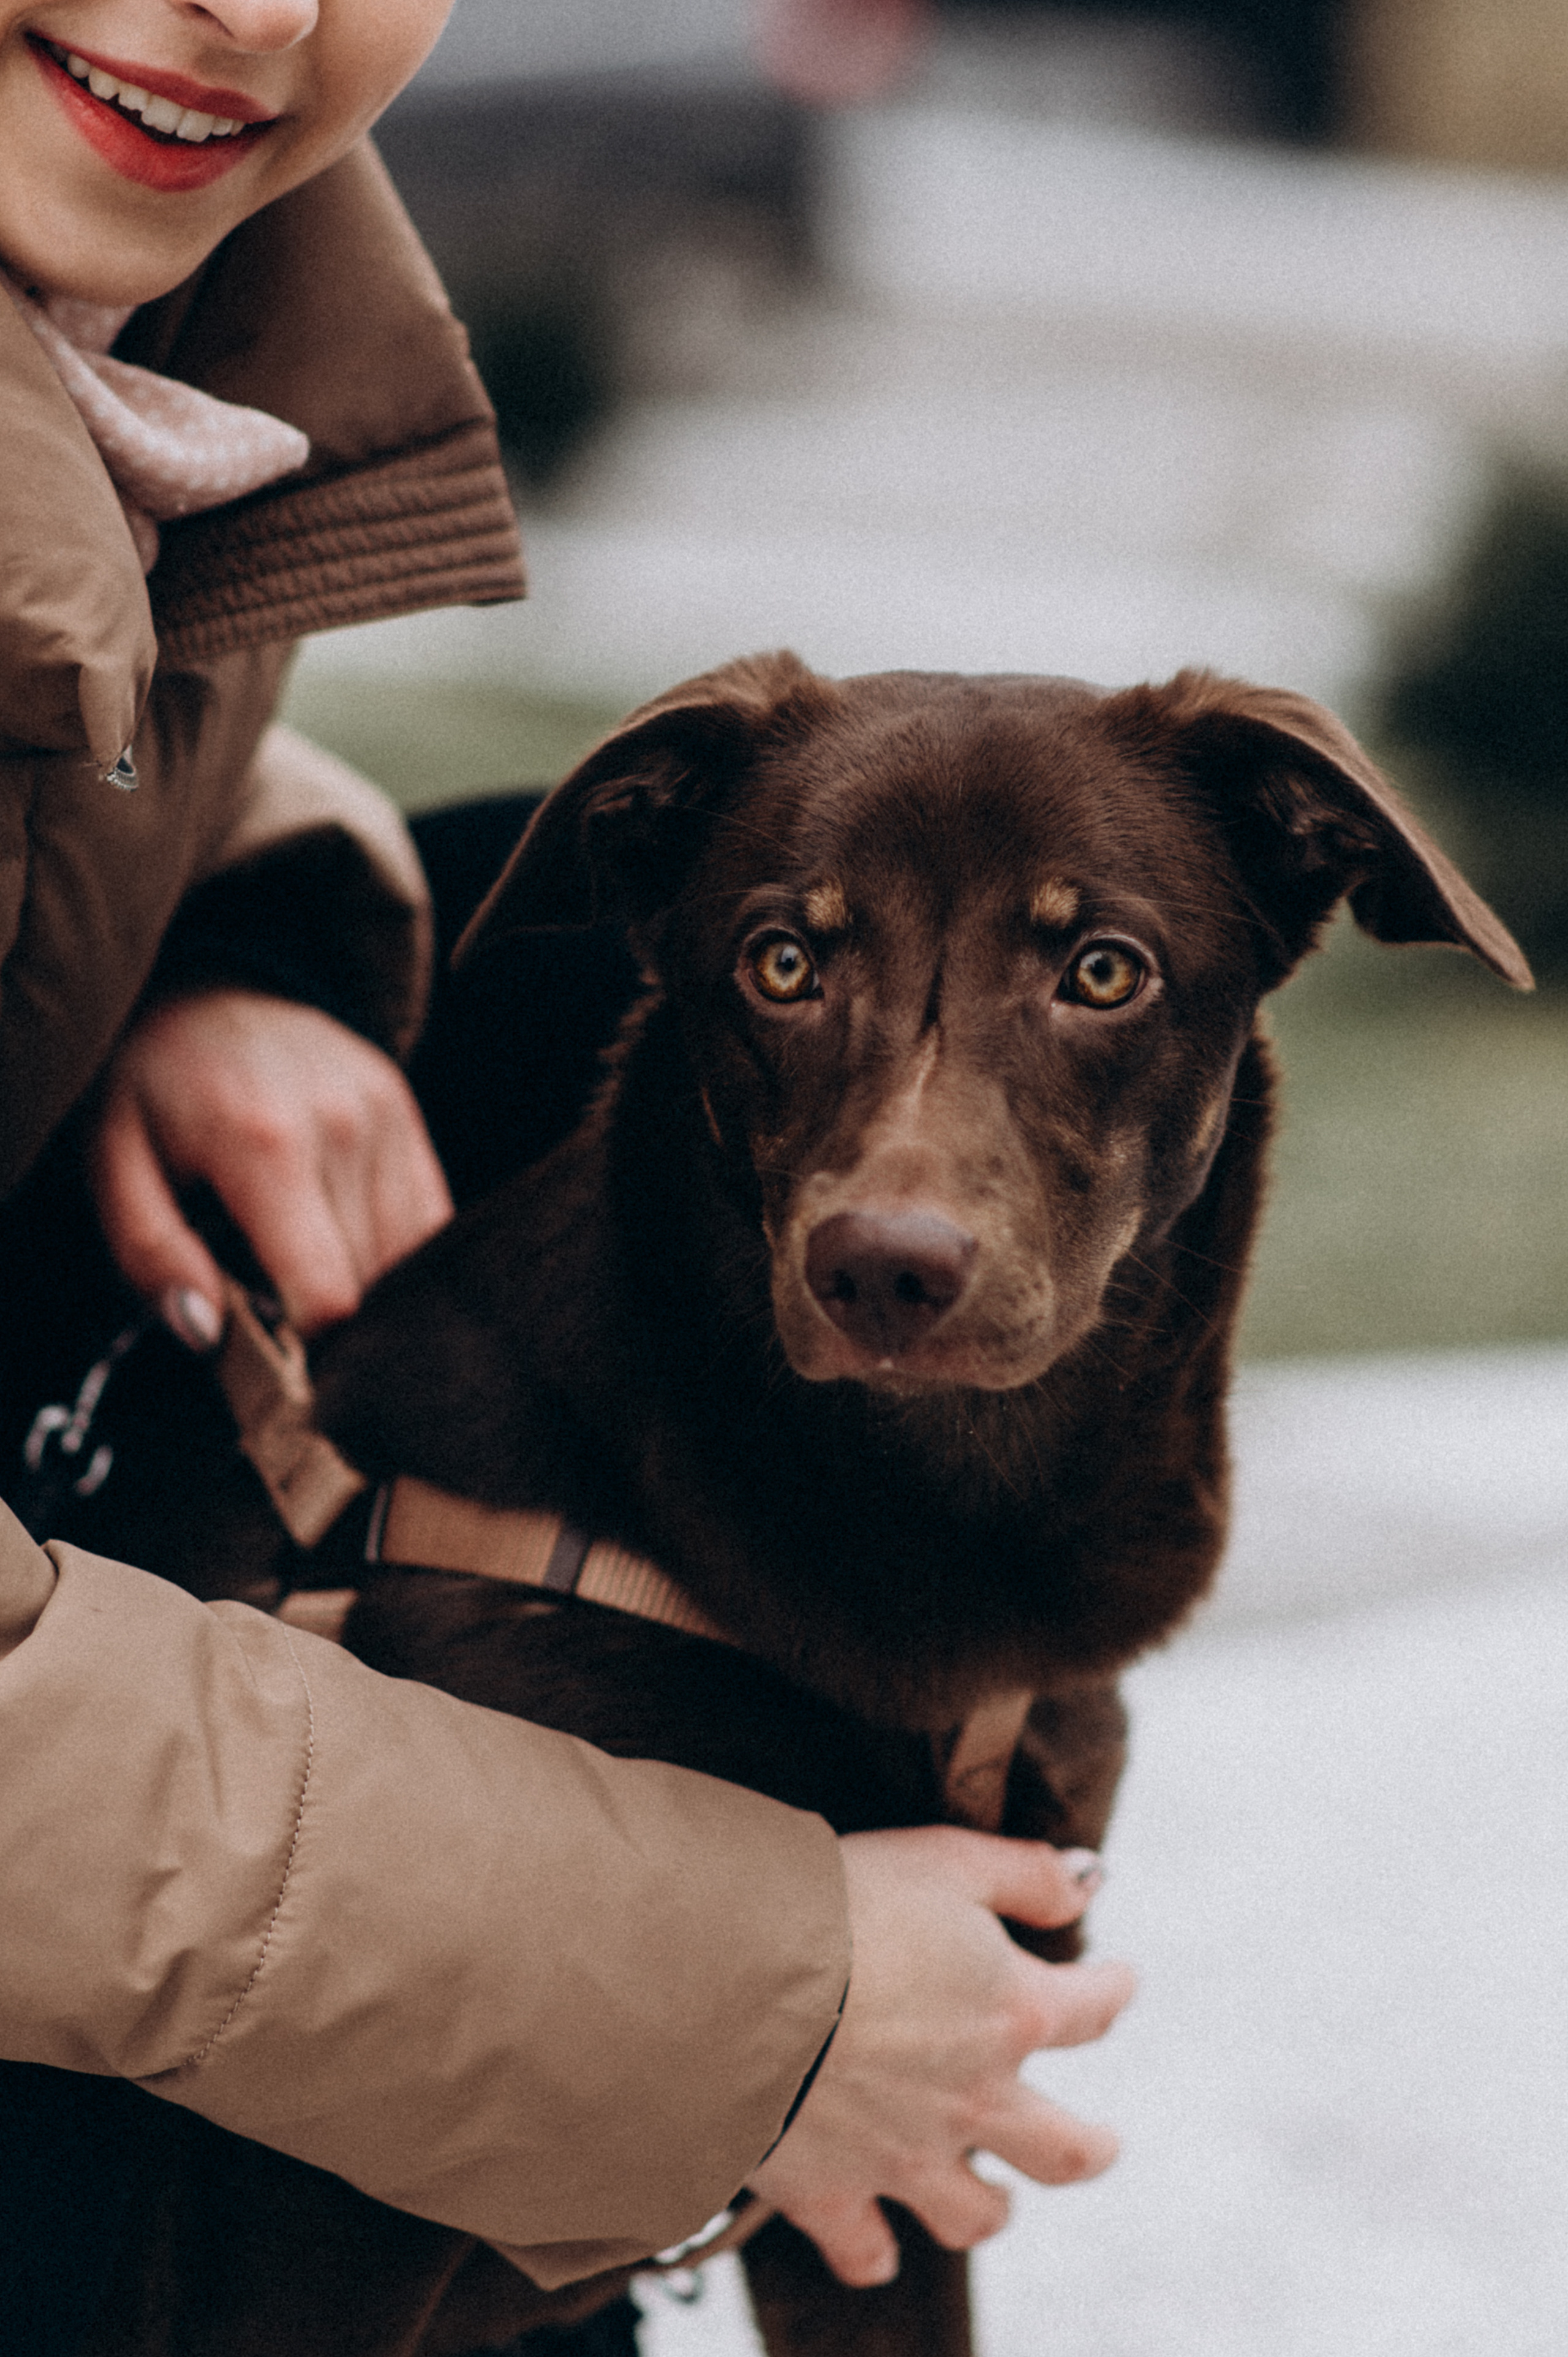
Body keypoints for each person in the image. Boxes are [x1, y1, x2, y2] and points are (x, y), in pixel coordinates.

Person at [0, 0, 1134, 2346]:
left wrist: (239, 931)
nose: (254, 12)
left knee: (573, 972)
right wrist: (728, 1998)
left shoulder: (152, 327)